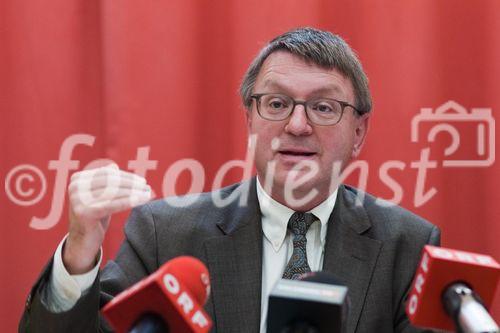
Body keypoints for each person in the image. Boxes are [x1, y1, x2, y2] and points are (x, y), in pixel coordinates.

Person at [19, 27, 440, 332]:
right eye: (276, 103)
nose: (297, 125)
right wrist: (79, 251)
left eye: (324, 108)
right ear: (250, 121)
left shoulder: (407, 245)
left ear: (359, 132)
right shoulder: (166, 235)